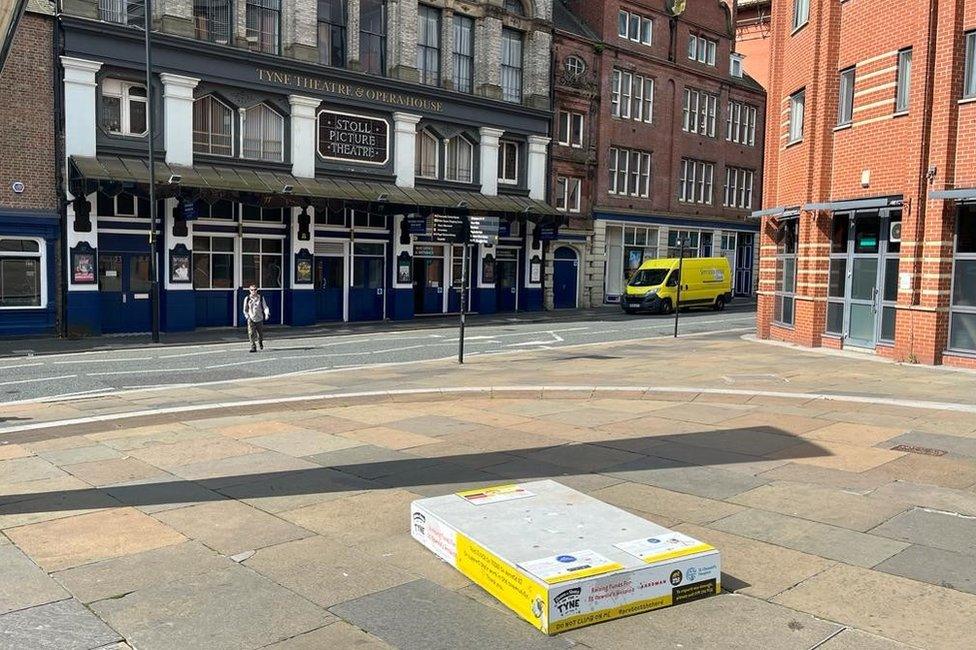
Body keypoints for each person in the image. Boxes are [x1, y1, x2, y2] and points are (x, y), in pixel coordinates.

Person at [242, 285, 270, 353]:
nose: (253, 291)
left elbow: (265, 307)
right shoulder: (247, 298)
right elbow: (245, 309)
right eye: (252, 290)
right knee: (251, 333)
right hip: (251, 318)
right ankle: (253, 347)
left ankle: (260, 342)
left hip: (259, 318)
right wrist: (247, 316)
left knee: (260, 334)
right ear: (249, 290)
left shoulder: (260, 298)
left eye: (255, 289)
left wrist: (266, 314)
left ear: (257, 290)